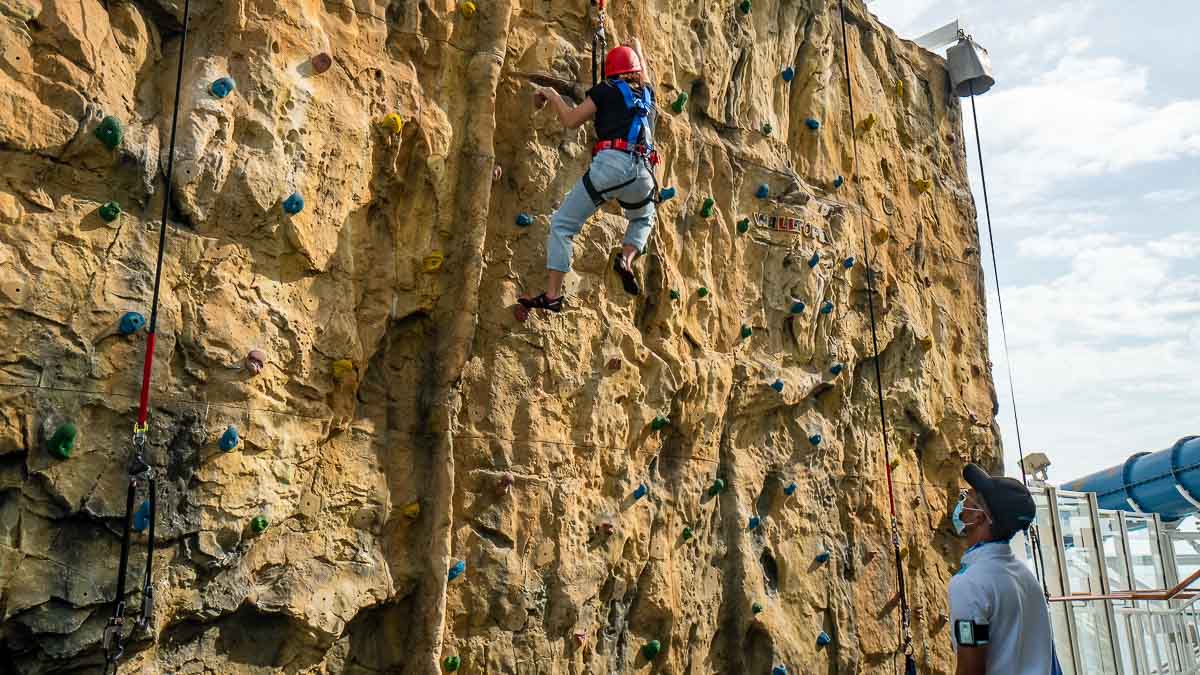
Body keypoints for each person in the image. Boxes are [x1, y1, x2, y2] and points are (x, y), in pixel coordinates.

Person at [522, 37, 659, 313]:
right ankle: (627, 259)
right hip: (644, 173)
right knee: (644, 217)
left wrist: (552, 94)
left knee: (562, 225)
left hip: (611, 167)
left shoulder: (606, 89)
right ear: (635, 71)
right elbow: (643, 74)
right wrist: (639, 51)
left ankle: (552, 295)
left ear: (611, 72)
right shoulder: (647, 94)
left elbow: (571, 120)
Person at [949, 463, 1061, 675]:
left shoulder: (970, 584)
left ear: (978, 516)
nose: (961, 505)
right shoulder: (1026, 577)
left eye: (968, 498)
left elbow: (971, 669)